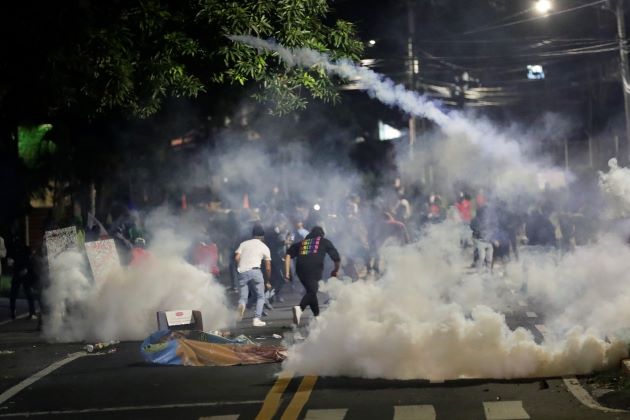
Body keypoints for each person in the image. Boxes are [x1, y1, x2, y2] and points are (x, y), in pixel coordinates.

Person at [284, 226, 340, 326]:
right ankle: (300, 308)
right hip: (315, 268)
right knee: (312, 290)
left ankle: (317, 316)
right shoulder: (324, 241)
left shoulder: (301, 243)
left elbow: (288, 255)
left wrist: (287, 272)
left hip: (300, 270)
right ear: (322, 234)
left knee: (311, 291)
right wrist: (335, 270)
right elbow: (336, 258)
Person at [234, 224, 272, 327]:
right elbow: (268, 267)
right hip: (255, 272)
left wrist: (240, 267)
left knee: (243, 297)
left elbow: (237, 257)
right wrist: (268, 280)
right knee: (261, 296)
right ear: (262, 236)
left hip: (242, 271)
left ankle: (241, 305)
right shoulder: (264, 247)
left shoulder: (244, 244)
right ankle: (256, 319)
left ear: (253, 234)